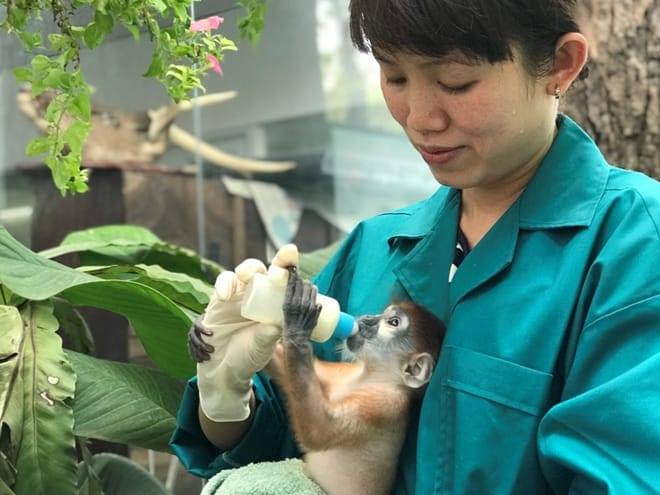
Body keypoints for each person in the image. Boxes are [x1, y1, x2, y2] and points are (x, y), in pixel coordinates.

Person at [170, 0, 660, 493]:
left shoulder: (632, 243)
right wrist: (227, 395)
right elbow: (284, 443)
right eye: (395, 76)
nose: (421, 119)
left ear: (561, 64)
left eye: (455, 83)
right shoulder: (376, 247)